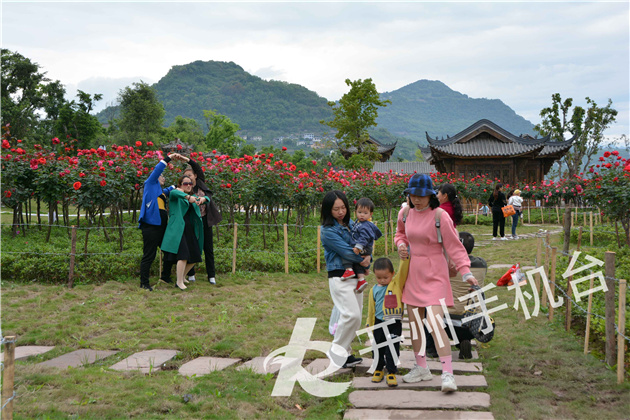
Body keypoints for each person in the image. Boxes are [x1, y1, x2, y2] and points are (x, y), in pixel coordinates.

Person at [395, 173, 478, 393]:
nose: (417, 199)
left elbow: (455, 248)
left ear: (431, 195)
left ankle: (448, 374)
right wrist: (401, 245)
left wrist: (466, 272)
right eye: (413, 195)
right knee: (414, 324)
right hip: (413, 273)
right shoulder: (404, 213)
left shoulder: (440, 216)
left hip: (436, 274)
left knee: (434, 323)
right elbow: (400, 234)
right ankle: (421, 368)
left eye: (421, 195)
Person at [321, 190, 371, 369]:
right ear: (328, 210)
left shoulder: (352, 224)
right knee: (352, 315)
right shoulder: (328, 231)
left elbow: (366, 242)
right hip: (340, 276)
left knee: (356, 318)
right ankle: (337, 350)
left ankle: (345, 353)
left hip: (356, 276)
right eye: (336, 209)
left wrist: (368, 258)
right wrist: (364, 259)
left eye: (343, 207)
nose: (341, 212)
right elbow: (347, 251)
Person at [424, 232, 488, 359]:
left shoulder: (448, 267)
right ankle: (464, 341)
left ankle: (432, 348)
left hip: (448, 321)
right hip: (475, 323)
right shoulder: (482, 264)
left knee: (429, 309)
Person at [137, 152, 179, 291]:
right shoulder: (150, 184)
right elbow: (157, 170)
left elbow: (171, 188)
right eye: (161, 176)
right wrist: (169, 158)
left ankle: (165, 276)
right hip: (150, 227)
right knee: (149, 255)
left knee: (168, 251)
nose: (163, 177)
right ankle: (144, 283)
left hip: (162, 227)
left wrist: (183, 182)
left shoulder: (160, 192)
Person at [179, 155, 222, 285]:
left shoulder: (200, 183)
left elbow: (197, 167)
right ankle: (191, 274)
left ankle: (211, 275)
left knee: (208, 247)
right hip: (192, 221)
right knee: (193, 247)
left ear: (196, 176)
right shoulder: (185, 188)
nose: (188, 178)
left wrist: (185, 159)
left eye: (190, 175)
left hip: (205, 220)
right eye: (185, 176)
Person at [161, 175, 204, 291]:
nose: (188, 185)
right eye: (185, 183)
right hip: (178, 229)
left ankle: (182, 276)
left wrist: (203, 199)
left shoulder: (192, 196)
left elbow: (206, 199)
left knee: (195, 255)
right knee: (183, 255)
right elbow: (175, 193)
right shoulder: (176, 194)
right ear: (180, 185)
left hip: (189, 229)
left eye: (190, 183)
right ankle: (179, 282)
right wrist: (187, 196)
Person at [365, 257, 403, 387]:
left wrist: (404, 257)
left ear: (392, 274)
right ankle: (378, 369)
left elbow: (403, 270)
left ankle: (391, 371)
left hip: (394, 322)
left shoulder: (396, 284)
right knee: (378, 346)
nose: (382, 280)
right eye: (378, 278)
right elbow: (371, 309)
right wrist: (369, 323)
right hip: (379, 322)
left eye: (385, 277)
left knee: (392, 347)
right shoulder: (373, 290)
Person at [344, 197, 382, 293]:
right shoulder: (359, 222)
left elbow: (364, 238)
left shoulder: (365, 225)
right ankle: (361, 278)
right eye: (360, 212)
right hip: (364, 248)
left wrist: (358, 247)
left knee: (348, 254)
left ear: (370, 214)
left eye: (365, 213)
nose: (362, 215)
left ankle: (349, 269)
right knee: (358, 262)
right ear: (355, 211)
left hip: (362, 247)